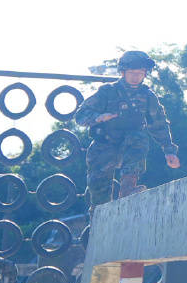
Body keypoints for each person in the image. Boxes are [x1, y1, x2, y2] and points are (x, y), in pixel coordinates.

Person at [75, 50, 180, 208]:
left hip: (130, 145)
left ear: (145, 73)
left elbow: (158, 124)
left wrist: (168, 150)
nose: (136, 76)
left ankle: (128, 187)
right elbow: (81, 115)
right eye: (132, 72)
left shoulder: (148, 96)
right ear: (123, 72)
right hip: (104, 145)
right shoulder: (107, 92)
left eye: (140, 73)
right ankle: (98, 221)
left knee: (139, 137)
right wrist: (98, 117)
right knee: (99, 193)